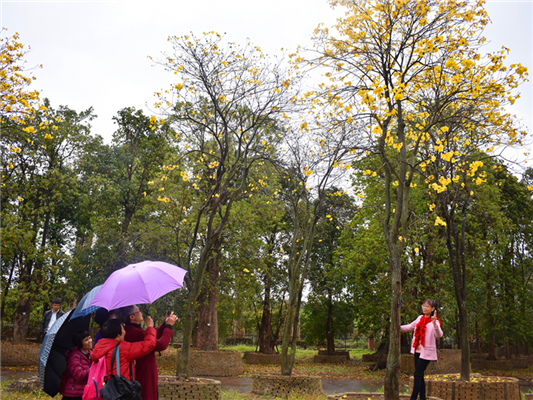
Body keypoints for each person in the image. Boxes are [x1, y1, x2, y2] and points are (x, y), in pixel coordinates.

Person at [117, 305, 177, 400]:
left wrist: (164, 324)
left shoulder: (132, 331)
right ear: (132, 317)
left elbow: (151, 337)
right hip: (145, 374)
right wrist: (169, 326)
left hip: (144, 372)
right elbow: (161, 345)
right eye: (138, 311)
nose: (141, 312)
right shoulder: (135, 333)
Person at [401, 298, 443, 400]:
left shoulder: (435, 321)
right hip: (417, 350)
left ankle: (413, 398)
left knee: (417, 375)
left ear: (433, 308)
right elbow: (410, 327)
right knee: (420, 375)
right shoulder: (420, 318)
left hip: (427, 353)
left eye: (427, 306)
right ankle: (423, 397)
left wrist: (435, 324)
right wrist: (397, 327)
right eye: (423, 305)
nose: (424, 308)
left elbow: (439, 335)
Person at [91, 317, 156, 381]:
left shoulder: (98, 347)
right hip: (120, 388)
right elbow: (149, 345)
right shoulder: (122, 348)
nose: (125, 332)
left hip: (105, 388)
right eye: (123, 329)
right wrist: (150, 328)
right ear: (118, 335)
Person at [61, 331, 92, 400]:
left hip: (85, 392)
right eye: (86, 340)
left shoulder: (91, 354)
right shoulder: (74, 357)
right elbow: (78, 375)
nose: (90, 341)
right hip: (73, 395)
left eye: (89, 338)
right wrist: (93, 368)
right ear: (79, 343)